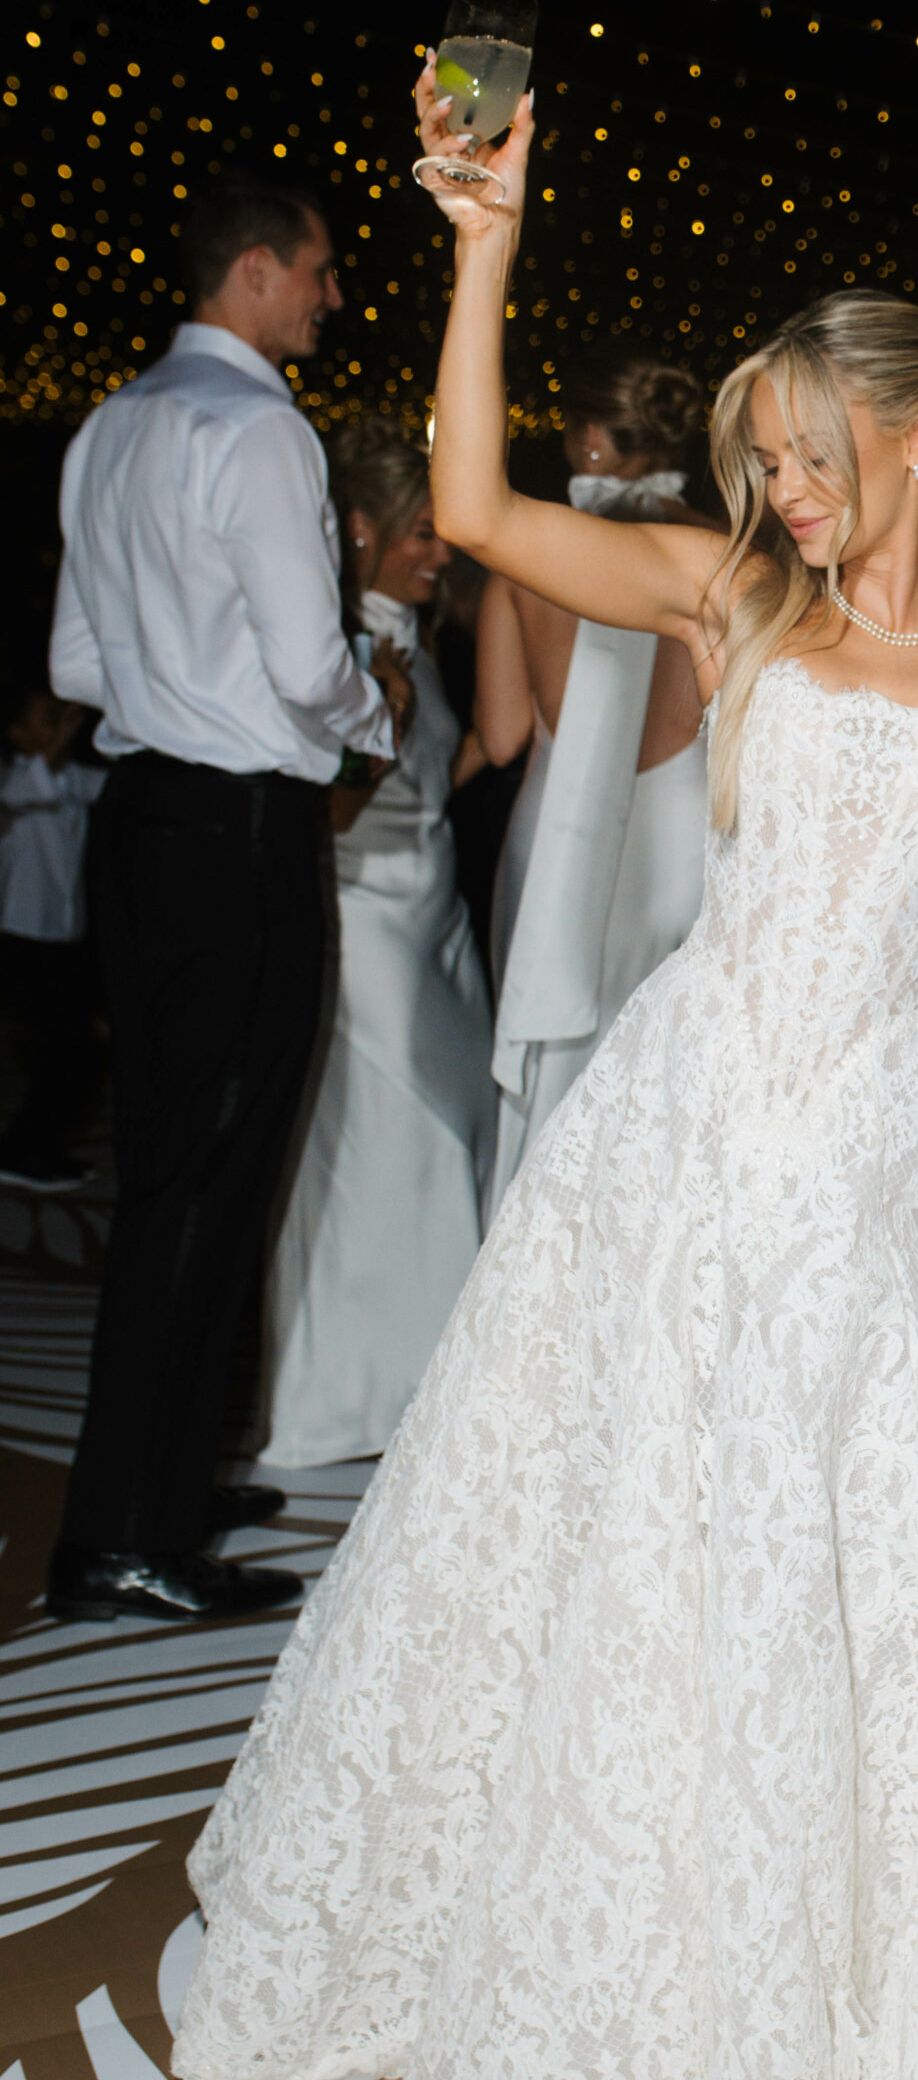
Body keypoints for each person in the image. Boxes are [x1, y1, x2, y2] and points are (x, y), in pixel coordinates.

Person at [171, 74, 918, 2080]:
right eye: (752, 459)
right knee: (603, 1510)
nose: (772, 491)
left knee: (860, 1553)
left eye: (802, 454)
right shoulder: (734, 599)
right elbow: (484, 514)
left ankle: (845, 1989)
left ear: (908, 433)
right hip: (682, 1121)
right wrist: (484, 246)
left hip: (887, 1133)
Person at [43, 171, 410, 1626]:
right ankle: (122, 1537)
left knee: (170, 1169)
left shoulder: (109, 425)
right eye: (318, 272)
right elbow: (310, 662)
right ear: (255, 273)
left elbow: (76, 666)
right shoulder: (260, 431)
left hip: (139, 822)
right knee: (207, 1185)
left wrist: (170, 683)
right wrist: (370, 709)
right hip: (241, 834)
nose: (330, 296)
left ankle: (172, 1476)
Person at [255, 420, 495, 1468]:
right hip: (370, 920)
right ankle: (363, 1391)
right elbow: (334, 814)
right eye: (422, 532)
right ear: (362, 529)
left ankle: (439, 1385)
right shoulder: (340, 641)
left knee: (459, 1132)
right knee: (402, 1142)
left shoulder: (416, 635)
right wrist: (384, 711)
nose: (440, 551)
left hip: (437, 915)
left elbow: (440, 772)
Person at [479, 345, 711, 1221]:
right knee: (665, 1087)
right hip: (682, 833)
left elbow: (502, 734)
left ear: (587, 440)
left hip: (558, 839)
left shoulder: (534, 549)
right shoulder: (729, 555)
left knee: (558, 1083)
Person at [0, 678, 104, 1192]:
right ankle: (21, 1151)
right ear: (18, 734)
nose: (60, 721)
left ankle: (38, 1149)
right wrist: (69, 728)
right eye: (46, 716)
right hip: (20, 937)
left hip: (62, 937)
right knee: (66, 1048)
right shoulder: (13, 783)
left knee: (68, 1052)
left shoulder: (70, 780)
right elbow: (33, 786)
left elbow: (114, 785)